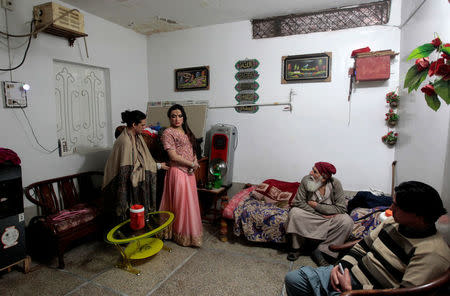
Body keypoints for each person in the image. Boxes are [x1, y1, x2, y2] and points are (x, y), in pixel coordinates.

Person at [285, 181, 450, 296]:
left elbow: (404, 292)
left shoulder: (432, 253)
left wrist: (354, 290)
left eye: (396, 206)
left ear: (417, 215)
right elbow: (362, 247)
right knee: (293, 279)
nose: (390, 208)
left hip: (365, 291)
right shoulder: (392, 223)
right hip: (349, 274)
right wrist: (341, 267)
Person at [102, 110, 167, 226]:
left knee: (161, 175)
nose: (144, 127)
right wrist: (158, 166)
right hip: (120, 181)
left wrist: (157, 165)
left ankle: (143, 223)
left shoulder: (137, 137)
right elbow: (126, 170)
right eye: (142, 125)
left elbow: (142, 160)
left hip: (132, 175)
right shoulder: (125, 141)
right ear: (134, 125)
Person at [286, 162, 354, 265]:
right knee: (295, 213)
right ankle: (296, 248)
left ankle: (322, 250)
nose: (310, 173)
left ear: (324, 177)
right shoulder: (306, 180)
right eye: (312, 169)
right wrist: (318, 213)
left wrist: (317, 206)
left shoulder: (335, 184)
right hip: (311, 214)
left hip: (328, 216)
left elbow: (341, 208)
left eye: (315, 171)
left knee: (347, 221)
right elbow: (298, 202)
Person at [159, 104, 203, 247]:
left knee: (189, 204)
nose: (177, 119)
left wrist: (195, 161)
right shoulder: (168, 132)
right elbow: (173, 156)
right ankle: (179, 234)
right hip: (177, 172)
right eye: (173, 116)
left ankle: (190, 235)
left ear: (184, 118)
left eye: (179, 116)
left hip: (189, 173)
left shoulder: (186, 131)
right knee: (180, 205)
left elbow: (192, 150)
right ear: (169, 118)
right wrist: (191, 164)